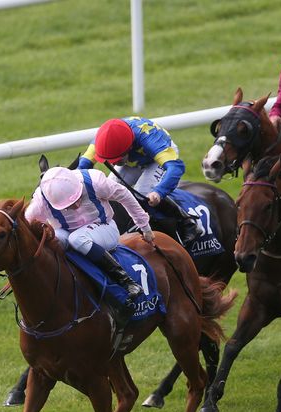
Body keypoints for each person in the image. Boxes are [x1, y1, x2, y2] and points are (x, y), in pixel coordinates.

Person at [25, 167, 154, 341]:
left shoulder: (95, 182)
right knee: (54, 243)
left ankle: (126, 281)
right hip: (67, 233)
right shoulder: (41, 201)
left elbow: (124, 195)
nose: (76, 205)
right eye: (69, 206)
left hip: (104, 228)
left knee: (77, 240)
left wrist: (144, 226)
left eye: (77, 199)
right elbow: (27, 227)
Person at [78, 117, 201, 245]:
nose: (114, 164)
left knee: (142, 192)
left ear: (129, 147)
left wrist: (159, 192)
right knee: (109, 190)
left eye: (117, 160)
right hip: (134, 159)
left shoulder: (149, 139)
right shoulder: (101, 141)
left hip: (157, 157)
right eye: (111, 161)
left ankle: (186, 221)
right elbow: (81, 167)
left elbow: (176, 167)